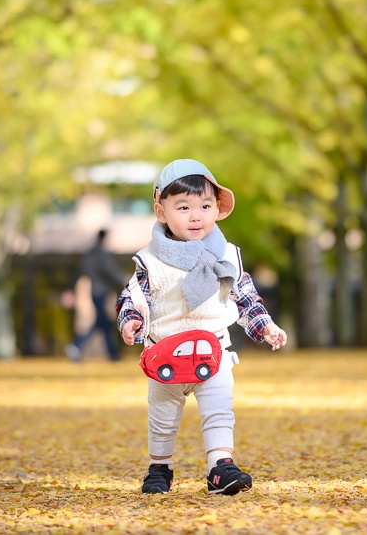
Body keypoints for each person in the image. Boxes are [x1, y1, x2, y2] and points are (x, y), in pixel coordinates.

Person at [116, 159, 288, 496]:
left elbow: (245, 297)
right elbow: (133, 298)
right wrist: (132, 321)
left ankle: (220, 467)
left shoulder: (227, 255)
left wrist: (265, 326)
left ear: (216, 209)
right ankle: (160, 467)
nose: (196, 215)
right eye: (183, 207)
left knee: (219, 410)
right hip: (165, 352)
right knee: (163, 417)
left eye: (205, 206)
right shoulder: (150, 259)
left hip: (214, 350)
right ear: (161, 211)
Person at [65, 228, 129, 362]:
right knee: (101, 322)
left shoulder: (89, 254)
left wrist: (70, 288)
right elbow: (109, 270)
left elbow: (79, 271)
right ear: (105, 238)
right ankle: (76, 345)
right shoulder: (102, 254)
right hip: (102, 291)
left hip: (94, 291)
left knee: (104, 323)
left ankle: (113, 355)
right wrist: (123, 279)